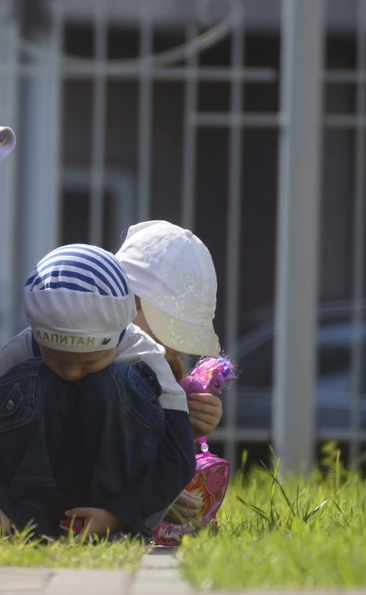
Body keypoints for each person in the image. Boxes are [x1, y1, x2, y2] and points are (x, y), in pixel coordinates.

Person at [0, 244, 196, 540]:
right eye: (56, 359)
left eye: (89, 361)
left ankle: (116, 528)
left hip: (119, 507)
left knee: (115, 381)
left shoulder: (143, 355)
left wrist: (120, 514)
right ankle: (27, 522)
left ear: (118, 336)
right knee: (30, 377)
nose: (72, 372)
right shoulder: (16, 354)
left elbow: (179, 458)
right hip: (33, 500)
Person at [115, 220, 225, 525]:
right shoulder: (94, 365)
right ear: (130, 301)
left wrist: (189, 428)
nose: (174, 349)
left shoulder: (166, 365)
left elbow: (146, 440)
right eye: (169, 329)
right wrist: (155, 493)